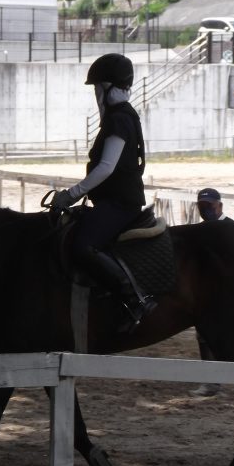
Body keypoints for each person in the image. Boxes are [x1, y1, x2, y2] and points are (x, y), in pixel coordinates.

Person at [50, 53, 155, 332]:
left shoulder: (118, 119)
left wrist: (71, 194)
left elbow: (106, 167)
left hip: (120, 204)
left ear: (107, 87)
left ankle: (134, 299)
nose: (96, 94)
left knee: (83, 245)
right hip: (113, 200)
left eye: (97, 88)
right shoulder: (122, 116)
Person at [190, 188, 230, 397]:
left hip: (228, 291)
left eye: (209, 206)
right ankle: (212, 381)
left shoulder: (232, 230)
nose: (206, 210)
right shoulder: (199, 231)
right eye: (202, 206)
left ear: (219, 206)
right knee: (205, 336)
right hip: (206, 292)